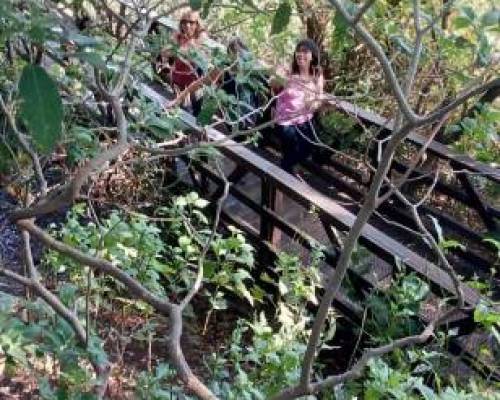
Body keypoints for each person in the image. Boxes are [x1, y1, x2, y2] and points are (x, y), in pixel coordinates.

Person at [271, 39, 324, 175]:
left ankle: (284, 170)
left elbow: (319, 99)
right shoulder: (289, 72)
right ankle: (284, 174)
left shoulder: (317, 75)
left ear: (312, 55)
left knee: (310, 146)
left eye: (305, 51)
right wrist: (277, 75)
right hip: (285, 121)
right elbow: (274, 86)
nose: (300, 54)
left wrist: (311, 103)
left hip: (305, 120)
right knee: (290, 145)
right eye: (298, 51)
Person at [155, 9, 208, 115]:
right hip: (178, 78)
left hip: (194, 83)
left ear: (197, 24)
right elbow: (165, 52)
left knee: (194, 111)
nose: (187, 25)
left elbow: (194, 54)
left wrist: (180, 48)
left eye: (191, 22)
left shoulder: (201, 37)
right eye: (184, 22)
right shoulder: (178, 35)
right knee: (179, 110)